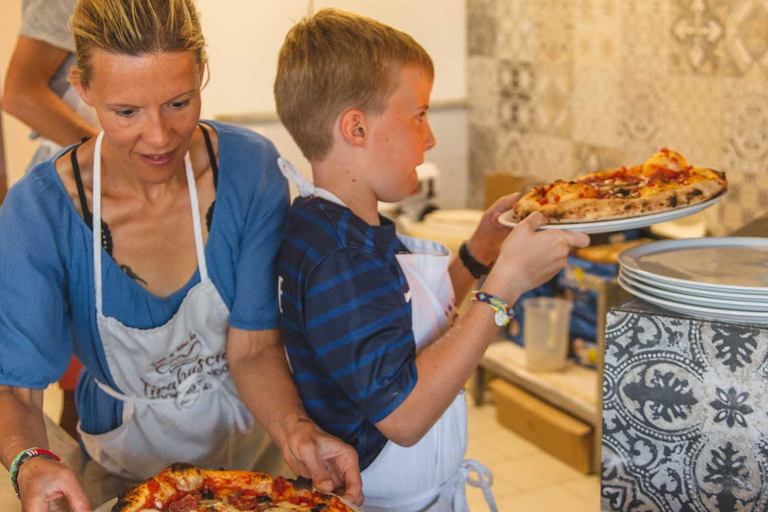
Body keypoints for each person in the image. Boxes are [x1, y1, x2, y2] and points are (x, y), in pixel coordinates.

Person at [0, 1, 362, 511]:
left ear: (202, 74)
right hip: (124, 473)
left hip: (258, 461)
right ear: (84, 90)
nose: (158, 136)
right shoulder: (39, 211)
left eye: (179, 102)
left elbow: (254, 349)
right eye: (126, 112)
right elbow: (17, 391)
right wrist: (31, 461)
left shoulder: (249, 169)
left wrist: (298, 430)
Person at [274, 9, 590, 512]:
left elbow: (409, 327)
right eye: (419, 114)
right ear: (356, 127)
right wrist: (504, 289)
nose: (431, 136)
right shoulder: (338, 255)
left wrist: (481, 251)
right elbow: (404, 414)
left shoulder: (346, 227)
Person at [3, 0, 101, 439]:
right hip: (78, 188)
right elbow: (19, 91)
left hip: (107, 176)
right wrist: (113, 151)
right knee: (80, 383)